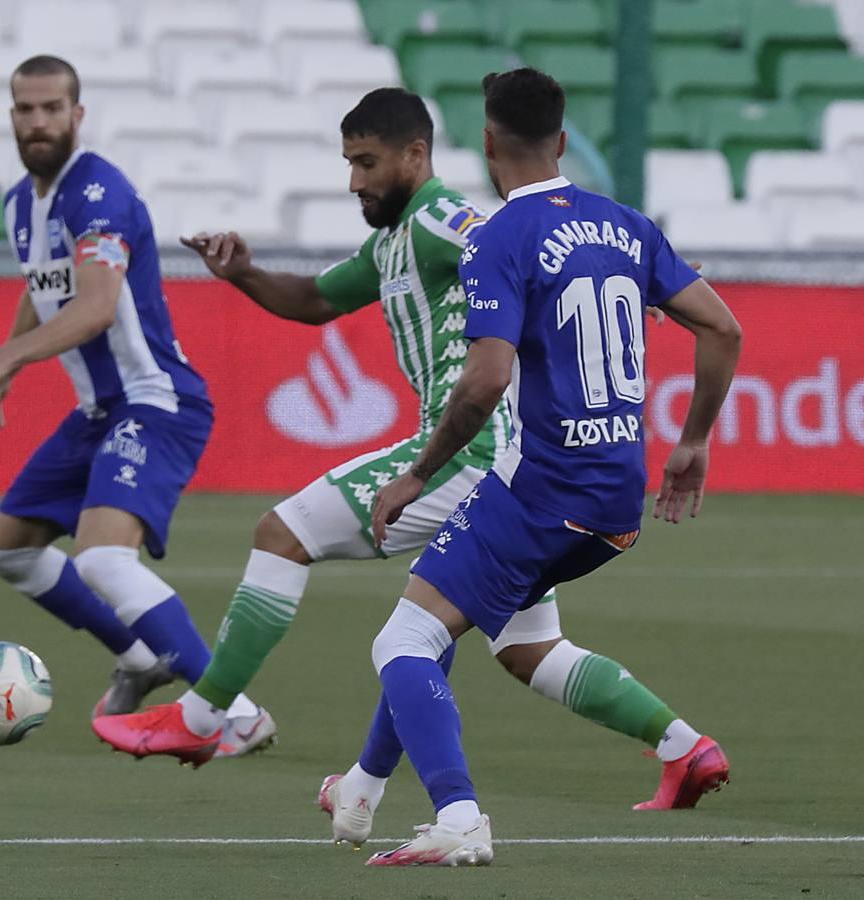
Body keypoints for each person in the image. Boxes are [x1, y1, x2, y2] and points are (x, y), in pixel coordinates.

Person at [93, 84, 730, 819]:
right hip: (516, 467)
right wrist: (241, 272)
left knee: (285, 536)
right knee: (526, 648)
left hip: (477, 450)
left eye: (366, 162)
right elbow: (314, 301)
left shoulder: (439, 219)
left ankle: (207, 720)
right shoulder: (392, 242)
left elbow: (492, 241)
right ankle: (682, 748)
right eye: (348, 163)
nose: (354, 180)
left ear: (415, 154)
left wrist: (586, 279)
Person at [0, 55, 274, 757]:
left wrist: (0, 359)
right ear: (11, 117)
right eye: (26, 109)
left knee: (102, 561)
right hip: (96, 414)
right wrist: (7, 365)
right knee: (3, 550)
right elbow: (43, 286)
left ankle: (233, 712)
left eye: (52, 108)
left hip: (154, 403)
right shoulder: (20, 204)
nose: (39, 121)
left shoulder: (99, 192)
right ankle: (142, 657)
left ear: (77, 116)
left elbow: (94, 307)